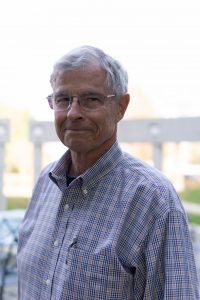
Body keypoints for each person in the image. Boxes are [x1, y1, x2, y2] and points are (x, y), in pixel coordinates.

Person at [17, 45, 199, 299]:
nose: (74, 113)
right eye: (63, 99)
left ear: (121, 106)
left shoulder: (153, 200)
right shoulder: (44, 183)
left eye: (91, 99)